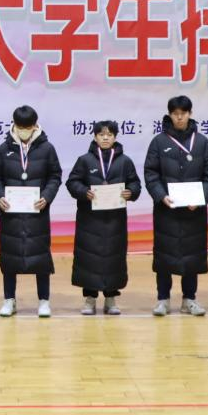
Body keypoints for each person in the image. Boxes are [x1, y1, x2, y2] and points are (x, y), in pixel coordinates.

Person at [143, 96, 208, 317]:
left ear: (190, 114)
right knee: (164, 256)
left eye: (183, 113)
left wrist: (201, 198)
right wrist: (161, 196)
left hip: (194, 211)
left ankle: (189, 299)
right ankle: (163, 300)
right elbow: (151, 174)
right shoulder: (159, 141)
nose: (179, 117)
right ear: (170, 115)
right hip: (167, 210)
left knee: (192, 256)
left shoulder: (202, 142)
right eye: (175, 114)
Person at [0, 105, 62, 318]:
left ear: (35, 126)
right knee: (9, 257)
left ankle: (44, 301)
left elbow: (55, 176)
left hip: (37, 212)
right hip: (11, 214)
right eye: (20, 127)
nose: (23, 131)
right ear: (14, 125)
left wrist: (46, 197)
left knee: (41, 258)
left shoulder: (47, 149)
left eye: (27, 127)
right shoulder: (4, 149)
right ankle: (9, 300)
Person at [66, 120, 141, 316]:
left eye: (109, 134)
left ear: (115, 137)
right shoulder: (84, 160)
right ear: (95, 137)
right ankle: (90, 299)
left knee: (114, 259)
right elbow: (72, 182)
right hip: (89, 220)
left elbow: (135, 183)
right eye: (101, 134)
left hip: (115, 220)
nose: (105, 138)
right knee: (88, 259)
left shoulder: (125, 161)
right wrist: (84, 192)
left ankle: (111, 299)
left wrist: (131, 192)